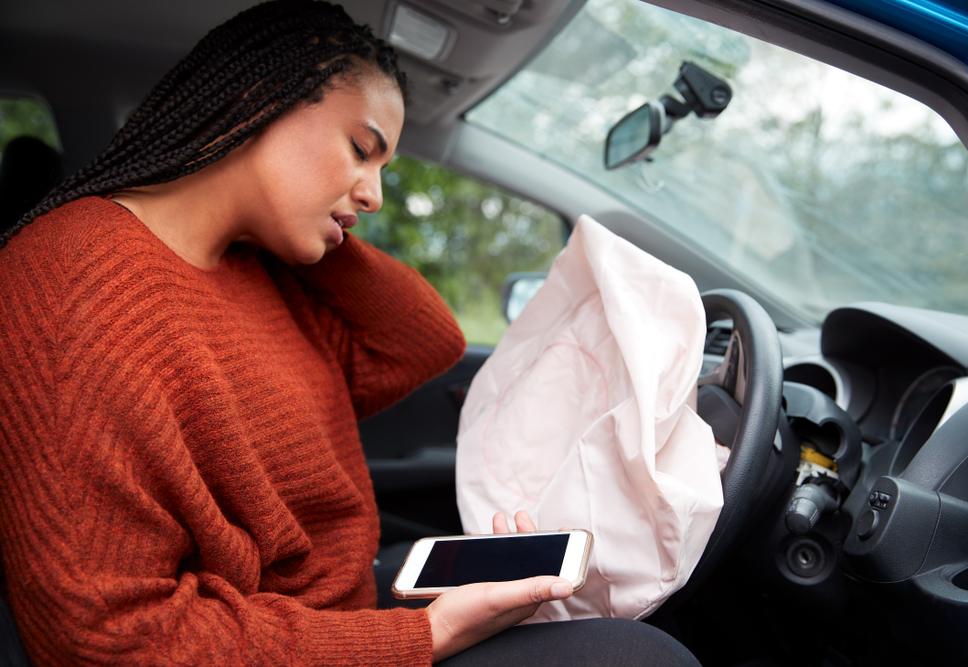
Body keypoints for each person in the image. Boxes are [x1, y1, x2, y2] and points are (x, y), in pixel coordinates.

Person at [0, 1, 700, 664]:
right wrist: (422, 637)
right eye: (362, 150)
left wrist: (280, 214)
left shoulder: (257, 267)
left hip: (341, 609)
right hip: (299, 644)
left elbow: (423, 341)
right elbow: (107, 638)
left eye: (384, 168)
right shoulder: (70, 281)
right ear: (260, 98)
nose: (375, 193)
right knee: (649, 656)